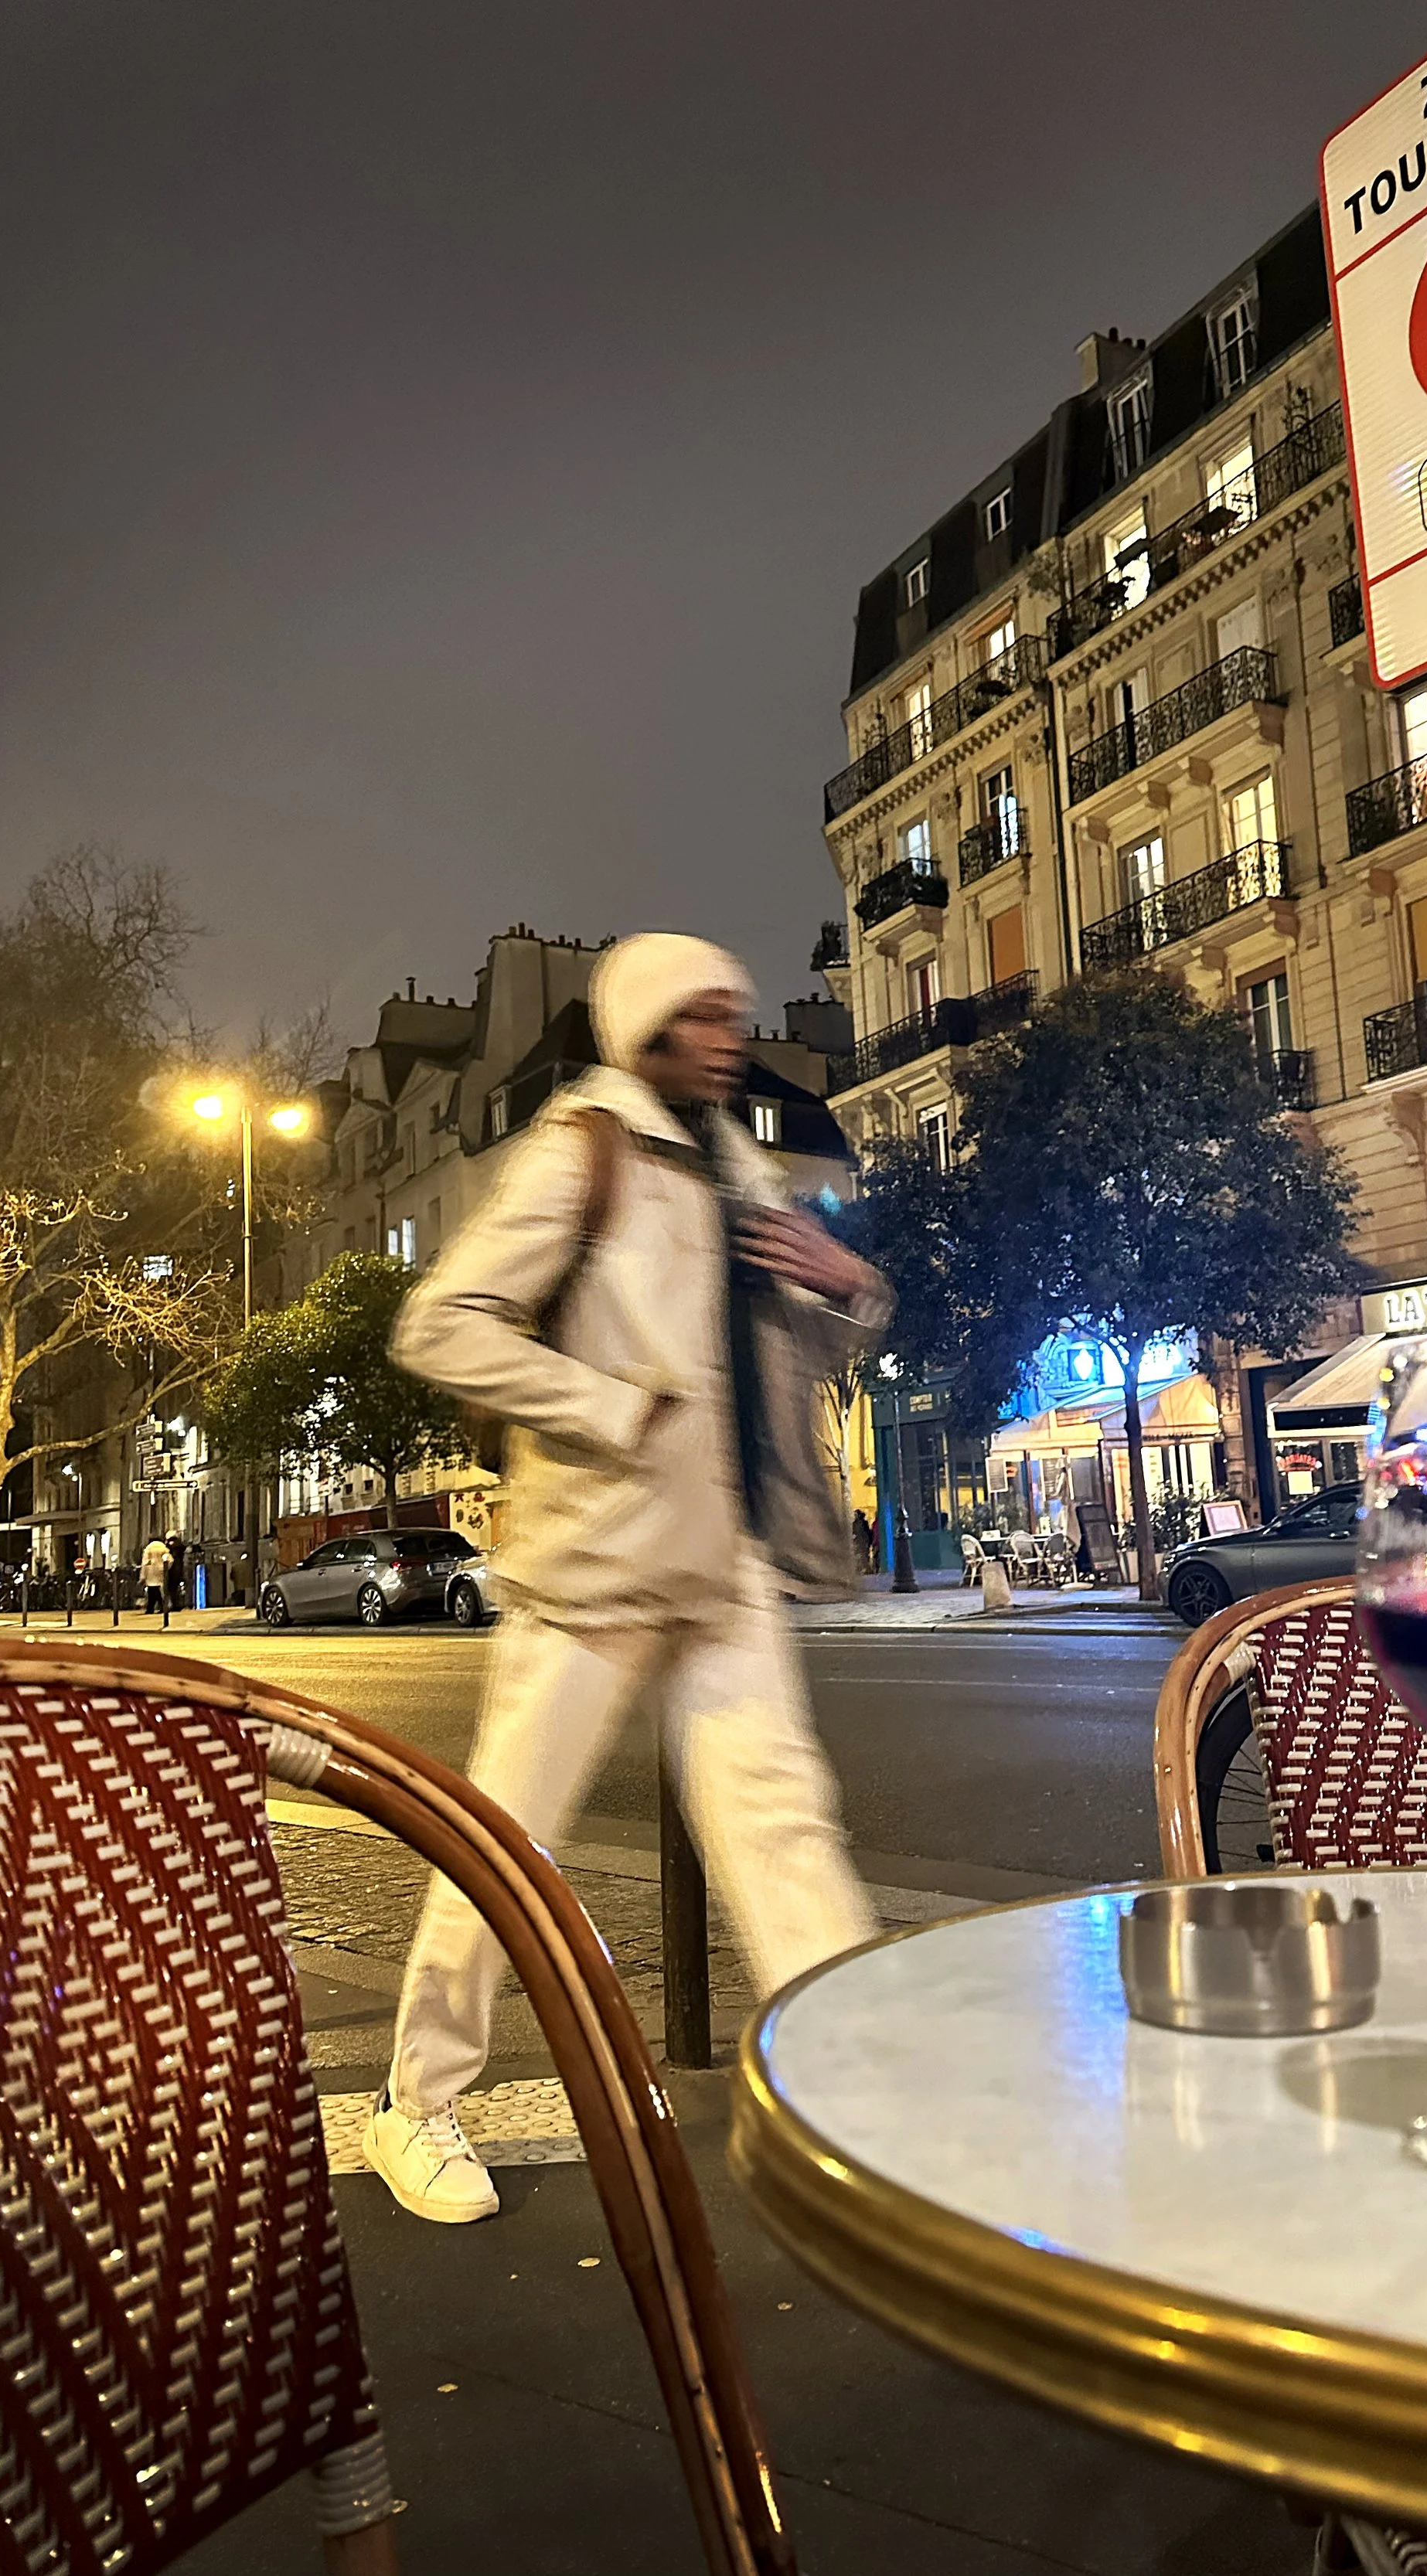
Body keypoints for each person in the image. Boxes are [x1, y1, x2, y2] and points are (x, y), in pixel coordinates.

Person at [363, 932, 891, 2223]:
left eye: (736, 1015)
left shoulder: (739, 1162)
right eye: (705, 1017)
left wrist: (853, 1286)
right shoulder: (584, 1145)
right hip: (597, 1557)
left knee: (782, 1825)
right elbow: (441, 1322)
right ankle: (413, 2103)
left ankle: (853, 2090)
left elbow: (803, 1347)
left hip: (724, 1554)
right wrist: (607, 1404)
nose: (732, 1037)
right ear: (646, 1029)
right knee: (507, 1844)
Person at [138, 1534, 171, 1617]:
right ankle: (160, 1607)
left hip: (150, 1572)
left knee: (152, 1590)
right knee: (158, 1589)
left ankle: (152, 1608)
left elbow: (145, 1563)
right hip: (161, 1571)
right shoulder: (164, 1548)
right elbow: (170, 1560)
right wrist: (166, 1568)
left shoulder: (148, 1549)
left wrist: (142, 1576)